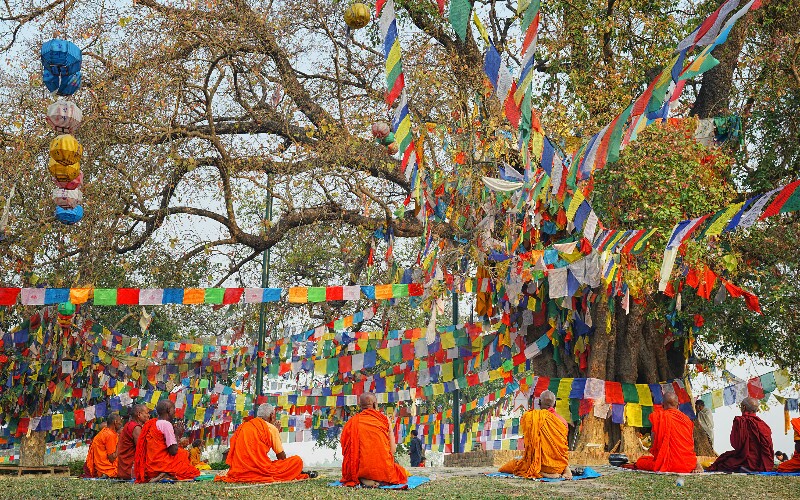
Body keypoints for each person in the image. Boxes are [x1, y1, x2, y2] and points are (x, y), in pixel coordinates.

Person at [215, 403, 310, 483]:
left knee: (273, 463)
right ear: (272, 415)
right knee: (297, 461)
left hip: (239, 470)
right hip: (260, 470)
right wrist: (275, 432)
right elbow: (281, 457)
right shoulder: (271, 428)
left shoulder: (244, 426)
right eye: (274, 415)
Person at [498, 390, 572, 479]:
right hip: (559, 466)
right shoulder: (563, 421)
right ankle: (566, 470)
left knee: (513, 465)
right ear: (555, 404)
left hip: (541, 465)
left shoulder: (531, 417)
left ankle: (542, 473)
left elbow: (529, 444)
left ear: (539, 403)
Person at [340, 392, 409, 487]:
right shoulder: (384, 419)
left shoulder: (352, 422)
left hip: (359, 468)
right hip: (383, 468)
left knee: (354, 465)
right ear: (375, 404)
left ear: (360, 406)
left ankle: (362, 476)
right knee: (400, 472)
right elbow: (392, 450)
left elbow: (345, 449)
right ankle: (375, 476)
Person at [134, 399, 200, 483]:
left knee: (182, 453)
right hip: (161, 465)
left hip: (150, 467)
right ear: (169, 410)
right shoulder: (166, 424)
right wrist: (177, 433)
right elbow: (173, 451)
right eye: (173, 409)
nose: (175, 412)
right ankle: (166, 474)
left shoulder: (152, 423)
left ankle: (163, 474)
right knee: (191, 469)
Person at [634, 392, 702, 473]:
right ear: (678, 405)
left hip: (666, 464)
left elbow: (653, 443)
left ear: (662, 405)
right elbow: (690, 445)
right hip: (688, 465)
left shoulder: (659, 417)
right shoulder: (687, 420)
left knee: (641, 461)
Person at [707, 397, 774, 472]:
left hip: (745, 459)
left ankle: (744, 467)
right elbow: (769, 447)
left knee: (722, 462)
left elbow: (736, 444)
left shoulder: (740, 421)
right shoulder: (763, 425)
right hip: (764, 463)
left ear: (744, 407)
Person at [117, 404, 149, 480]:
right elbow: (141, 450)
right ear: (139, 414)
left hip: (124, 468)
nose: (149, 416)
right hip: (131, 470)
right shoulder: (136, 428)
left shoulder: (128, 425)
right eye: (147, 413)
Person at [84, 413, 122, 478]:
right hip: (106, 469)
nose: (121, 424)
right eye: (120, 421)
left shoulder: (104, 432)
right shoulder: (110, 435)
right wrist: (120, 442)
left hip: (99, 468)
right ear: (115, 422)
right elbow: (112, 458)